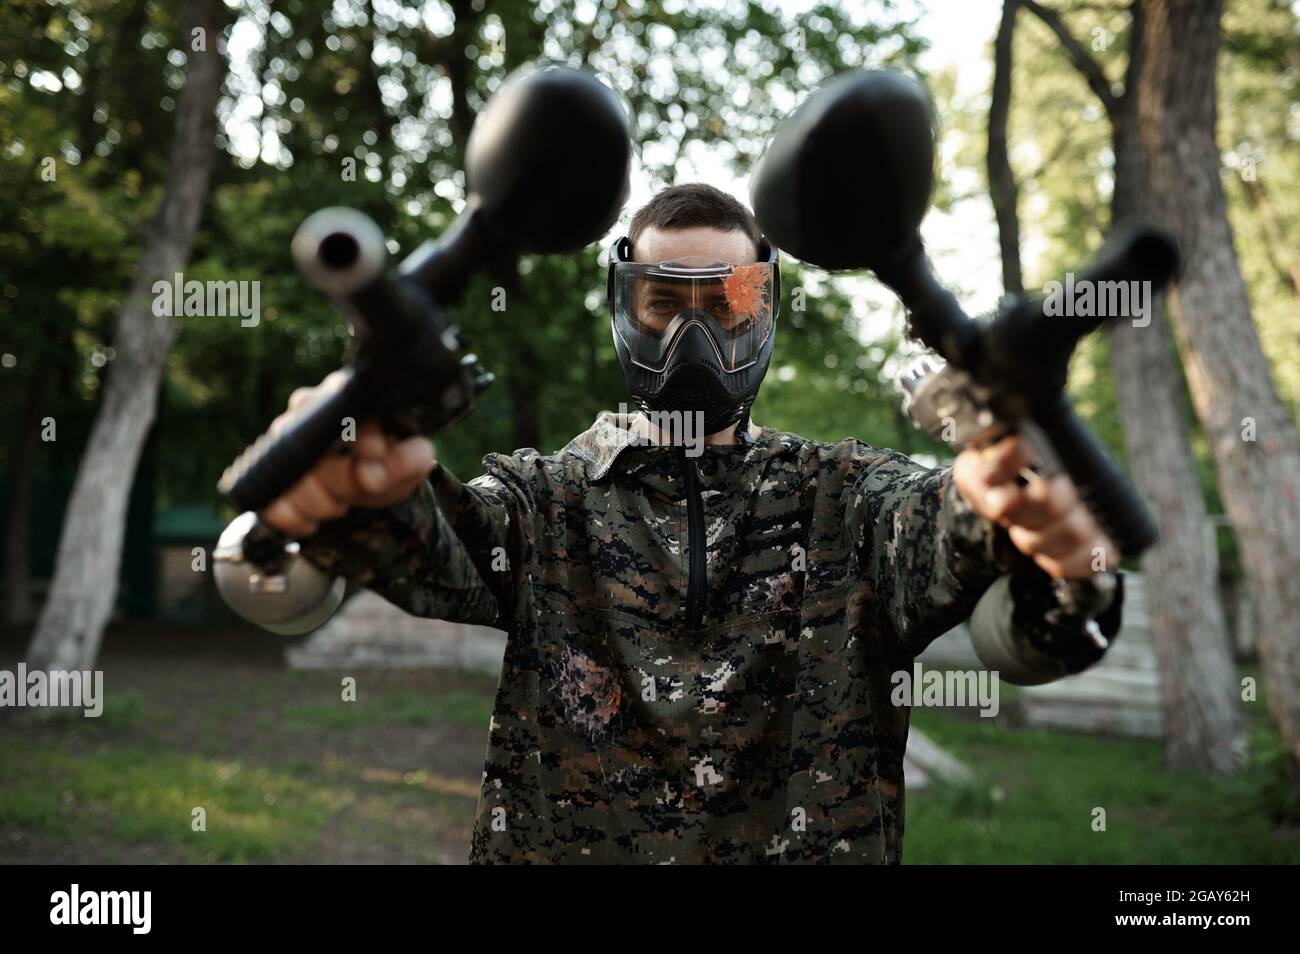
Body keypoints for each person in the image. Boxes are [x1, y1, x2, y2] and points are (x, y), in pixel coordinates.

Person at [260, 183, 1122, 863]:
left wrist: (1011, 499)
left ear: (766, 307)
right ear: (625, 308)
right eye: (665, 304)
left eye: (726, 302)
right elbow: (441, 545)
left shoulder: (848, 499)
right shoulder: (549, 500)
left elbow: (945, 523)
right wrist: (363, 485)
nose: (695, 334)